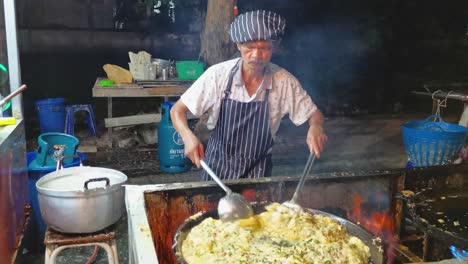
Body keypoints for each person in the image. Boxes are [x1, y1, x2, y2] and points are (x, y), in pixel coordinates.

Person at [171, 10, 327, 180]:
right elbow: (177, 110)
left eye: (264, 48)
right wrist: (187, 137)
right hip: (217, 171)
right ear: (238, 45)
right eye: (249, 47)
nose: (256, 55)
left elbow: (314, 114)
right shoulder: (218, 75)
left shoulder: (284, 81)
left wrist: (316, 127)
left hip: (259, 173)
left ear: (274, 47)